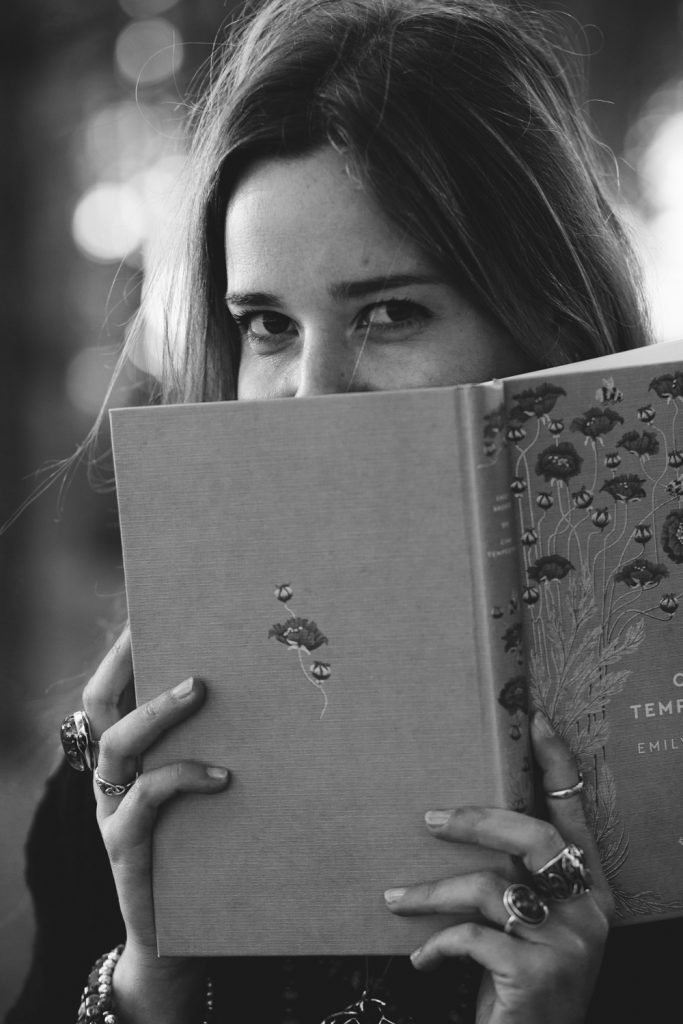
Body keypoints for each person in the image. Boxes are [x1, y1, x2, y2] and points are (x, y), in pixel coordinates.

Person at [7, 1, 682, 1022]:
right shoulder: (135, 767)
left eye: (389, 313)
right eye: (266, 325)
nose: (311, 391)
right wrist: (149, 977)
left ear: (540, 325)